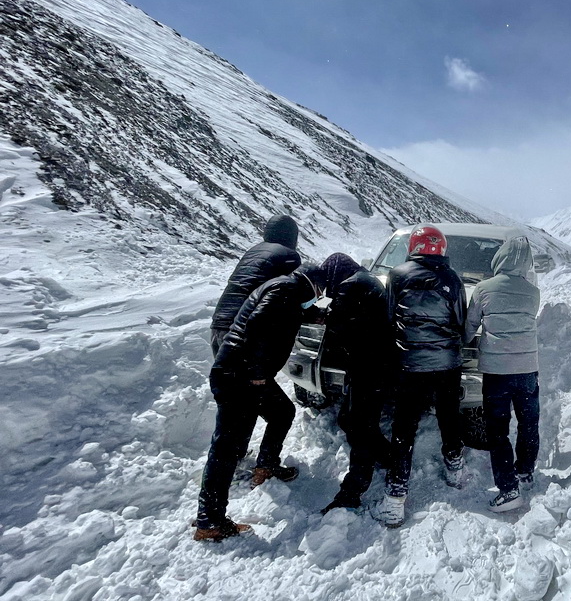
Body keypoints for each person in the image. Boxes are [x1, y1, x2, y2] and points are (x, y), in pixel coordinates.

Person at [193, 264, 326, 542]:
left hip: (246, 374)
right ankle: (209, 521)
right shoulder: (285, 288)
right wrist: (256, 373)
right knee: (226, 449)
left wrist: (319, 315)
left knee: (282, 412)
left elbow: (288, 315)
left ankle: (266, 466)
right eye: (320, 291)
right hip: (238, 376)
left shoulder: (286, 291)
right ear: (311, 283)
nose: (319, 295)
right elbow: (258, 323)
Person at [373, 225, 467, 527]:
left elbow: (388, 318)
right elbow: (461, 321)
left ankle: (396, 497)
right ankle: (455, 468)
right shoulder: (452, 279)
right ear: (441, 248)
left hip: (410, 365)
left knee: (404, 428)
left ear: (413, 246)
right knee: (449, 417)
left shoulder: (398, 275)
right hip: (447, 364)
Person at [464, 236, 540, 513]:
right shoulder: (533, 292)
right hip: (527, 369)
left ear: (501, 258)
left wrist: (460, 343)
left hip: (496, 371)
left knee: (497, 431)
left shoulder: (484, 288)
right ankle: (525, 471)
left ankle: (508, 489)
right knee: (528, 423)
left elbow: (471, 325)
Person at [319, 252, 395, 514]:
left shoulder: (351, 285)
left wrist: (326, 317)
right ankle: (389, 458)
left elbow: (337, 327)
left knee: (360, 427)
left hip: (370, 366)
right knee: (350, 420)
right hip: (375, 363)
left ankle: (352, 491)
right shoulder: (365, 279)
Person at [210, 215, 301, 356]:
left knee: (226, 376)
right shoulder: (289, 256)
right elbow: (292, 295)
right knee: (254, 376)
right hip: (242, 327)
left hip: (219, 322)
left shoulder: (253, 251)